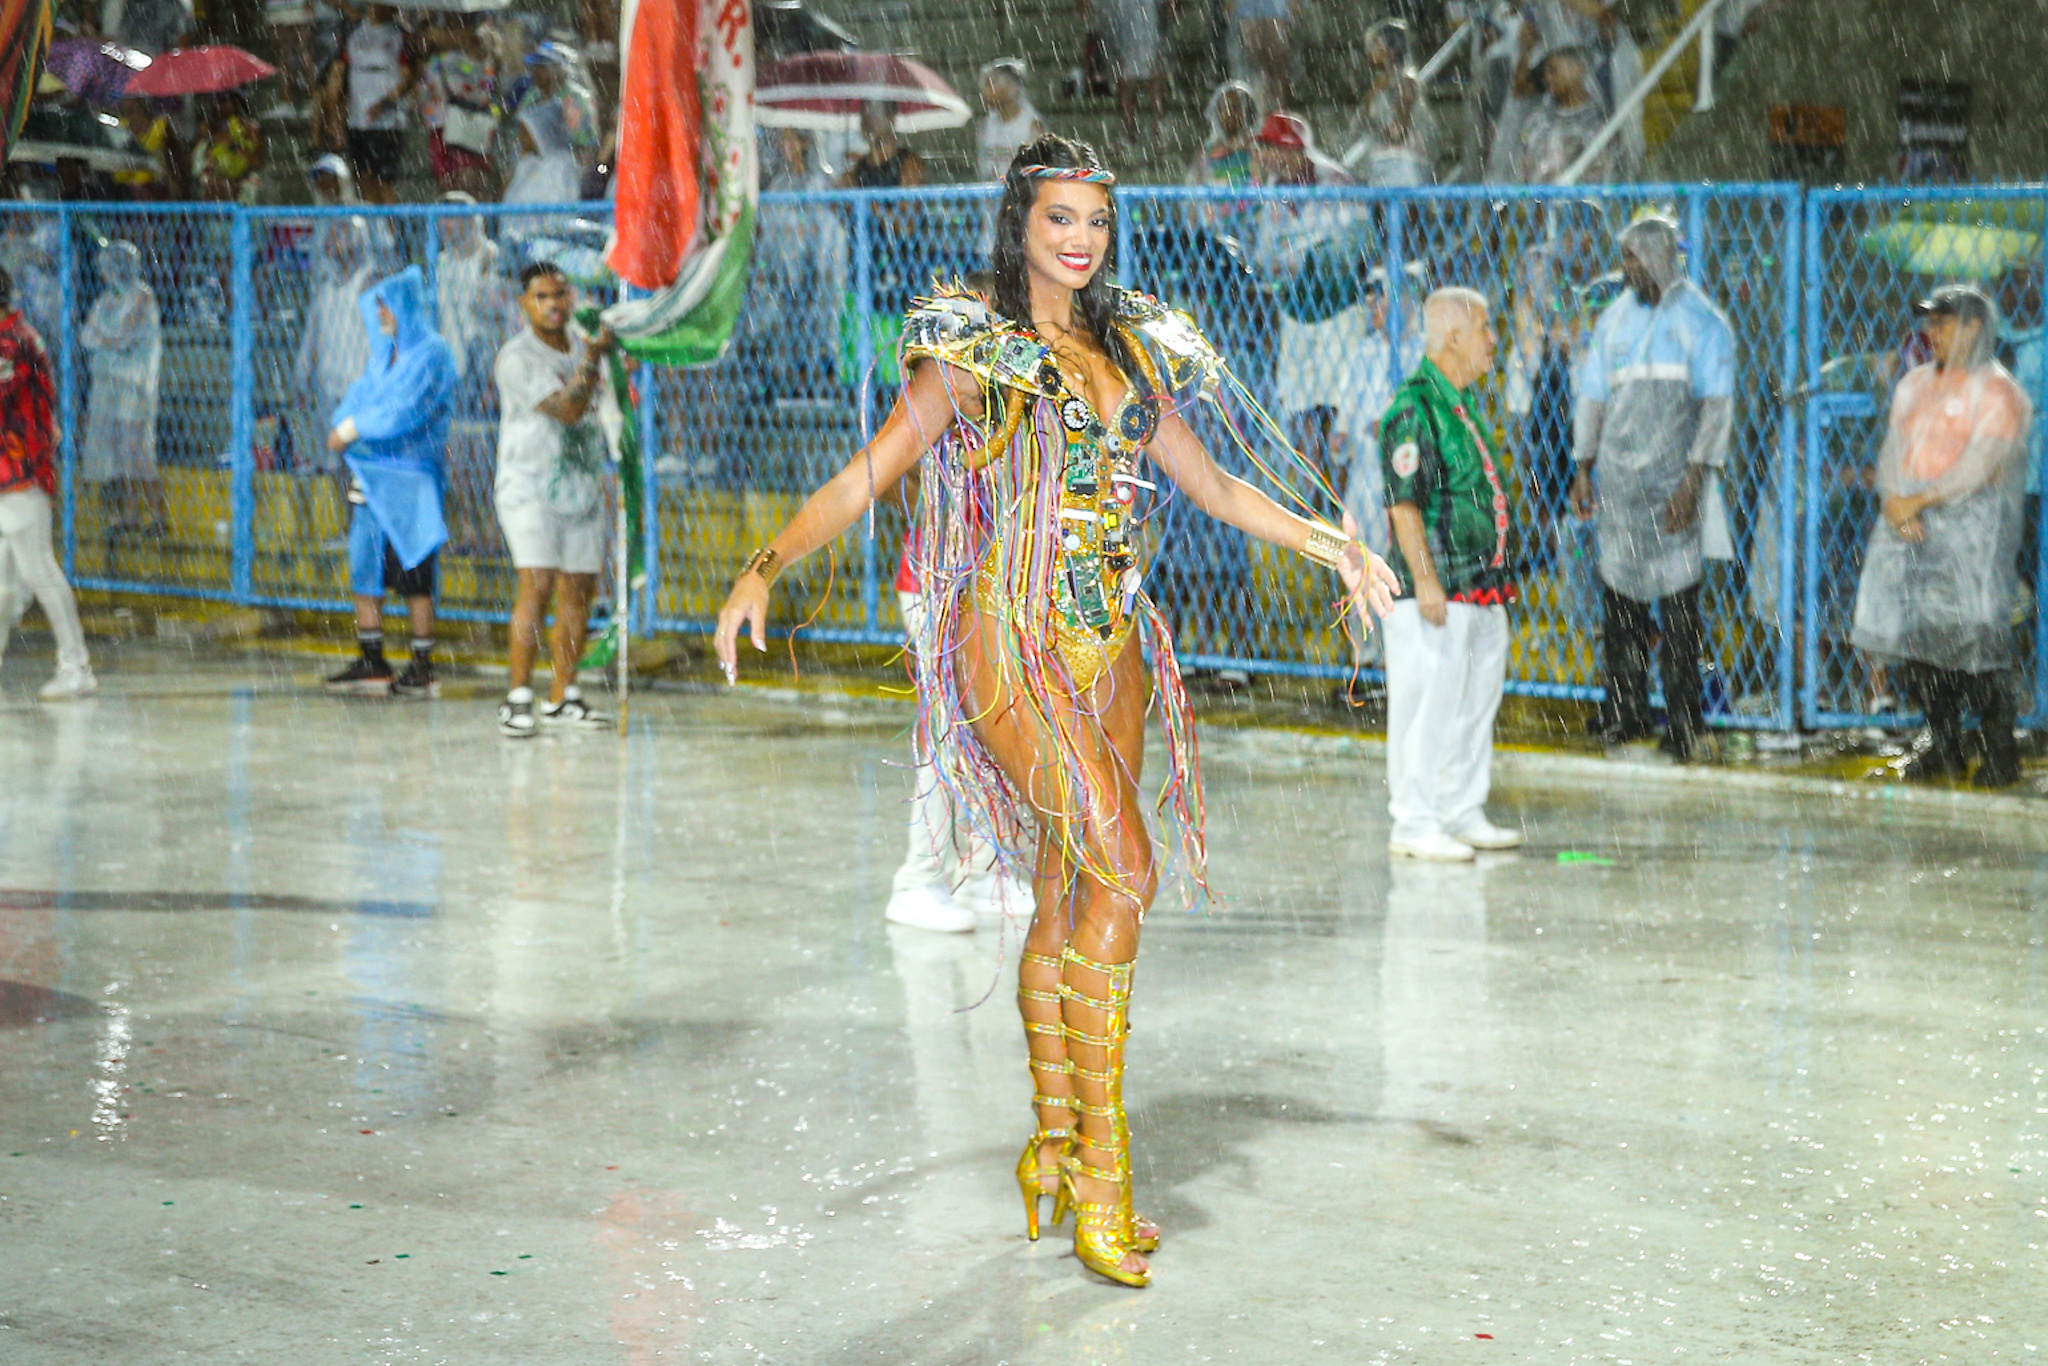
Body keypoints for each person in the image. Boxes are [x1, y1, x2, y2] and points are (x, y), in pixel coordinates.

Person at [714, 135, 1398, 1288]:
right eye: (1058, 220)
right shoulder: (975, 349)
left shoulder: (1127, 344)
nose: (1080, 241)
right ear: (1019, 226)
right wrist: (762, 564)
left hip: (1111, 647)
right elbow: (868, 471)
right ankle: (1102, 1182)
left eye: (1094, 221)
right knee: (1126, 865)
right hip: (1012, 637)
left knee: (1071, 885)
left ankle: (1052, 1141)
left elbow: (1214, 485)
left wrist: (1330, 542)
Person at [1570, 217, 1736, 761]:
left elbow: (1716, 408)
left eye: (1635, 257)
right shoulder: (1614, 320)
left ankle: (1684, 722)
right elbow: (1593, 397)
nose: (1627, 268)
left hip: (1674, 490)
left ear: (1663, 257)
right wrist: (1583, 466)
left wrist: (1693, 480)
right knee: (1620, 608)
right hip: (1621, 490)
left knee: (1678, 609)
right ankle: (1627, 711)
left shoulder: (1701, 321)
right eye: (1624, 257)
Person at [1852, 285, 2030, 788]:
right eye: (1930, 322)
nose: (1933, 332)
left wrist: (1919, 500)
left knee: (1978, 643)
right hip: (1913, 529)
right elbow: (1893, 450)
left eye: (1944, 322)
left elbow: (1980, 465)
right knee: (1921, 644)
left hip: (1972, 537)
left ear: (1975, 327)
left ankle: (2000, 754)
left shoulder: (1998, 392)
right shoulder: (1914, 384)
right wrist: (1895, 502)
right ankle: (1944, 744)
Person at [1379, 289, 1520, 861]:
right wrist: (1427, 580)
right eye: (1484, 328)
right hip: (1436, 589)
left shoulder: (1458, 406)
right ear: (1454, 337)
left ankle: (1460, 808)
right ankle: (1415, 821)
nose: (1493, 340)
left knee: (1472, 705)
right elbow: (1404, 503)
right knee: (1427, 706)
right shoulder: (1414, 407)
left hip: (1478, 586)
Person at [491, 262, 616, 736]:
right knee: (538, 582)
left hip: (580, 485)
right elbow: (568, 409)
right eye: (541, 296)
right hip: (529, 488)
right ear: (524, 303)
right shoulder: (517, 358)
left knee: (580, 588)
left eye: (560, 294)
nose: (553, 305)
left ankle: (563, 694)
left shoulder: (586, 346)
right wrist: (594, 359)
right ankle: (518, 696)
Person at [323, 266, 458, 698]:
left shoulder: (433, 354)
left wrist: (352, 429)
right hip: (371, 478)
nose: (380, 312)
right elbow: (359, 396)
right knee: (365, 568)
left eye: (387, 304)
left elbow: (405, 409)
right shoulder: (384, 354)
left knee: (414, 573)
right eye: (377, 305)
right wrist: (345, 422)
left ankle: (422, 666)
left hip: (410, 482)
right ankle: (372, 659)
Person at [0, 266, 96, 701]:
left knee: (38, 569)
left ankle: (76, 667)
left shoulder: (12, 341)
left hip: (19, 472)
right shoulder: (16, 335)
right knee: (9, 579)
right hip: (14, 470)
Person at [78, 240, 163, 533]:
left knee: (136, 449)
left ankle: (158, 514)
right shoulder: (107, 299)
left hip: (132, 383)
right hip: (109, 381)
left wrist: (104, 337)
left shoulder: (141, 296)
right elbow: (86, 336)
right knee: (118, 450)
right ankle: (130, 513)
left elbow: (125, 339)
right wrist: (108, 338)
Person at [294, 215, 378, 474]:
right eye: (332, 235)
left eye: (341, 234)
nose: (333, 242)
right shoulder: (326, 284)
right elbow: (312, 334)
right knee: (331, 464)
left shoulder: (369, 282)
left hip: (358, 389)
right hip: (328, 388)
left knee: (356, 464)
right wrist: (302, 375)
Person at [332, 3, 418, 204]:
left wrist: (386, 102)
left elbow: (408, 77)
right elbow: (340, 73)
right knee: (364, 178)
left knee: (384, 180)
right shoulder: (353, 31)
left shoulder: (400, 34)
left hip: (388, 120)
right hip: (357, 116)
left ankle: (391, 222)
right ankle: (373, 221)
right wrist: (337, 114)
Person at [1511, 42, 1618, 184]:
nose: (1547, 78)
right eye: (1546, 73)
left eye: (1553, 71)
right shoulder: (1538, 119)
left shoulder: (1599, 122)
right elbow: (1522, 166)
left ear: (1577, 70)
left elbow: (1602, 173)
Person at [1348, 19, 1436, 188]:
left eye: (1375, 45)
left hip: (1405, 169)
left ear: (1390, 51)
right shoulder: (1382, 84)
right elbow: (1361, 125)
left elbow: (1397, 134)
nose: (1369, 50)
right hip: (1389, 166)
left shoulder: (1405, 83)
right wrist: (1373, 93)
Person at [419, 14, 498, 199]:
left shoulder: (472, 63)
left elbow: (484, 90)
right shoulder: (437, 62)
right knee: (451, 183)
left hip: (465, 126)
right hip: (443, 128)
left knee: (467, 182)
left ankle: (472, 214)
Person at [1080, 0, 1167, 144]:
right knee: (1124, 70)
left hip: (1143, 9)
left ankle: (1158, 125)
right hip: (1114, 11)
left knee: (1152, 64)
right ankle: (1129, 128)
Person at [502, 101, 583, 217]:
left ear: (539, 133)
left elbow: (556, 204)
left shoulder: (561, 166)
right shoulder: (526, 165)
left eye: (525, 133)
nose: (520, 138)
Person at [976, 59, 1044, 182]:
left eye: (991, 84)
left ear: (1013, 87)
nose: (985, 91)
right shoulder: (986, 124)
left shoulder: (1032, 124)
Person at [1233, 0, 1293, 112]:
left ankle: (1278, 110)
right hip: (1252, 10)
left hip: (1270, 10)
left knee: (1275, 65)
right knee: (1261, 66)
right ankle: (1268, 111)